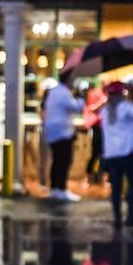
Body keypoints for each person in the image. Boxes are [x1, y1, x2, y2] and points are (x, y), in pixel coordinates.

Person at [100, 81, 133, 230]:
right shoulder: (124, 108)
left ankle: (117, 219)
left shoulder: (105, 111)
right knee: (131, 186)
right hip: (128, 153)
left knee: (115, 188)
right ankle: (130, 216)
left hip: (112, 155)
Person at [43, 70, 84, 202]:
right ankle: (60, 189)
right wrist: (81, 97)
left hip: (54, 132)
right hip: (62, 133)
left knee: (57, 161)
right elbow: (76, 107)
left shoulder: (54, 92)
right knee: (63, 161)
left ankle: (55, 188)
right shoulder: (63, 93)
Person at [83, 80, 107, 188]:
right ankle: (89, 175)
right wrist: (102, 102)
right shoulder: (96, 93)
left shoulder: (107, 95)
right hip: (97, 126)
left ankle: (99, 176)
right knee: (96, 152)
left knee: (102, 153)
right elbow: (90, 108)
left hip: (104, 127)